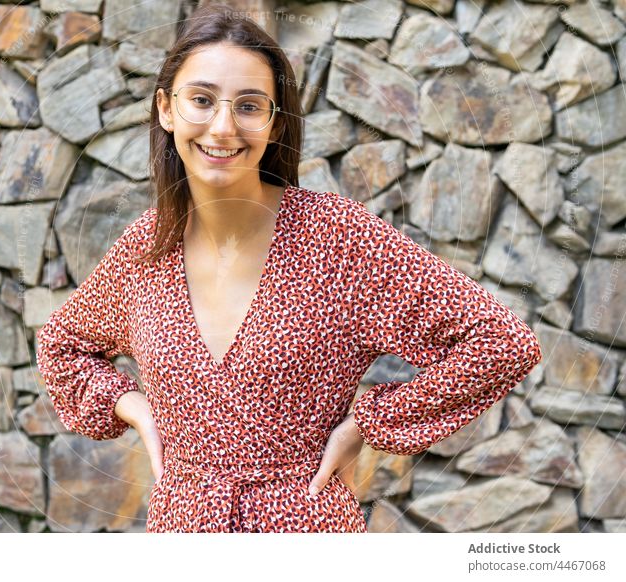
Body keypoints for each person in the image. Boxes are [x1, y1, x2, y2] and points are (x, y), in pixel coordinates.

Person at [36, 3, 543, 533]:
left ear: (275, 123)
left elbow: (500, 343)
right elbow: (63, 345)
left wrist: (367, 424)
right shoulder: (149, 246)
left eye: (250, 106)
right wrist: (135, 407)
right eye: (202, 100)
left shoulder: (338, 240)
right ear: (166, 108)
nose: (223, 126)